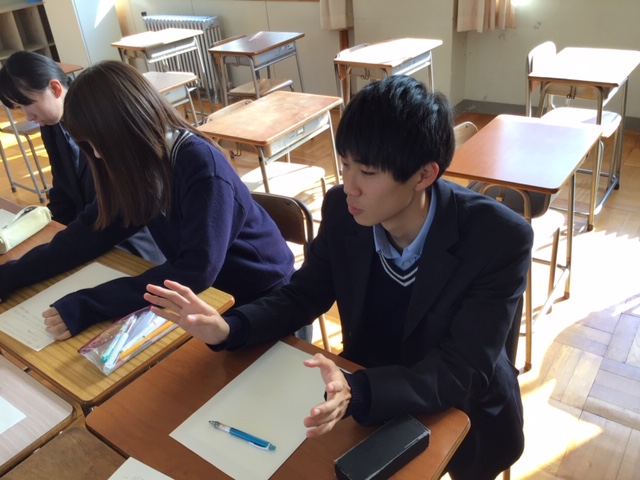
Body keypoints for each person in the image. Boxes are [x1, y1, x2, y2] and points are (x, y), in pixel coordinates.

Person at [145, 75, 534, 479]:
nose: (349, 186)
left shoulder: (499, 237)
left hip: (459, 412)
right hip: (367, 394)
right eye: (345, 164)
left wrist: (359, 390)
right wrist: (230, 327)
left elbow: (461, 370)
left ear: (423, 175)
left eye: (367, 171)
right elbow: (303, 294)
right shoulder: (343, 211)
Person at [0, 60, 296, 342]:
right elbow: (91, 231)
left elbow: (195, 269)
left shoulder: (199, 164)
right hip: (208, 299)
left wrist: (89, 304)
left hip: (262, 300)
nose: (98, 155)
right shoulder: (136, 165)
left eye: (98, 143)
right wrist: (11, 275)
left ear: (126, 125)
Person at [0, 51, 164, 263]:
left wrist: (62, 246)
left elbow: (120, 208)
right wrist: (50, 232)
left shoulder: (104, 121)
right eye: (19, 108)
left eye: (27, 104)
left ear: (55, 88)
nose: (28, 116)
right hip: (88, 234)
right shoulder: (51, 127)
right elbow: (62, 190)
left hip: (130, 241)